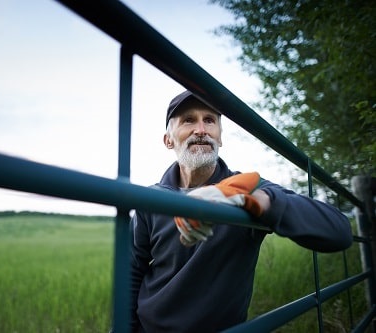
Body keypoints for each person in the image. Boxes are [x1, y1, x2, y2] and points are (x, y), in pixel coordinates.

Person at [130, 90, 353, 332]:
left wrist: (251, 201)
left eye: (209, 120)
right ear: (168, 140)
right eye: (188, 120)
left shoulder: (247, 187)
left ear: (220, 137)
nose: (201, 129)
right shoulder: (150, 200)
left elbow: (339, 231)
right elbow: (132, 271)